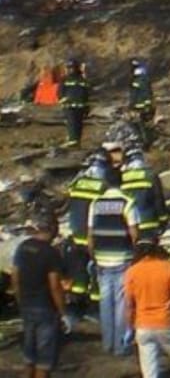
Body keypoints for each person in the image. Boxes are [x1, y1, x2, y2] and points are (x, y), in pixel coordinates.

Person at [125, 238, 170, 378]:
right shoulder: (168, 267)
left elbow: (129, 305)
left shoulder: (132, 271)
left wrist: (129, 327)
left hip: (143, 325)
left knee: (150, 370)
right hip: (166, 323)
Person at [88, 167, 139, 355]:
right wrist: (137, 255)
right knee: (121, 304)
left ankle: (107, 343)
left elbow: (90, 234)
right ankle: (120, 346)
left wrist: (93, 256)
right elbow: (134, 233)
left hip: (101, 259)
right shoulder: (127, 202)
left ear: (105, 182)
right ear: (122, 182)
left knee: (105, 302)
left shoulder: (95, 203)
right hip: (123, 258)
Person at [13, 213, 69, 378]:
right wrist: (63, 312)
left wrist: (19, 299)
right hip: (45, 308)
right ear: (52, 229)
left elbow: (15, 275)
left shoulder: (23, 247)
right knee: (43, 361)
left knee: (29, 357)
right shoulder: (50, 252)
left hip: (26, 305)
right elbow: (54, 286)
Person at [64, 151, 107, 324]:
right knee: (97, 276)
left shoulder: (78, 184)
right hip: (94, 239)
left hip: (76, 238)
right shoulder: (103, 187)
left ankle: (75, 310)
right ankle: (94, 309)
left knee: (78, 276)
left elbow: (71, 205)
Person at [121, 147, 169, 239]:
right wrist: (163, 219)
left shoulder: (122, 178)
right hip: (149, 224)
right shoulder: (151, 175)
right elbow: (158, 199)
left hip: (130, 225)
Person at [60, 59, 90, 148]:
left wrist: (87, 106)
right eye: (69, 68)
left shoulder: (83, 80)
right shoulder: (65, 79)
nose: (71, 70)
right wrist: (63, 100)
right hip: (70, 106)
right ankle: (72, 140)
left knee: (78, 124)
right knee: (71, 123)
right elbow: (60, 92)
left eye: (72, 68)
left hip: (80, 107)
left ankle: (77, 141)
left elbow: (86, 94)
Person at [128, 60, 155, 148]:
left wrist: (147, 106)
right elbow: (134, 94)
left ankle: (146, 143)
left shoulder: (142, 80)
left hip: (142, 107)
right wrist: (131, 105)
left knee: (142, 125)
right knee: (137, 124)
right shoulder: (137, 80)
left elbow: (146, 93)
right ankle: (143, 141)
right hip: (138, 107)